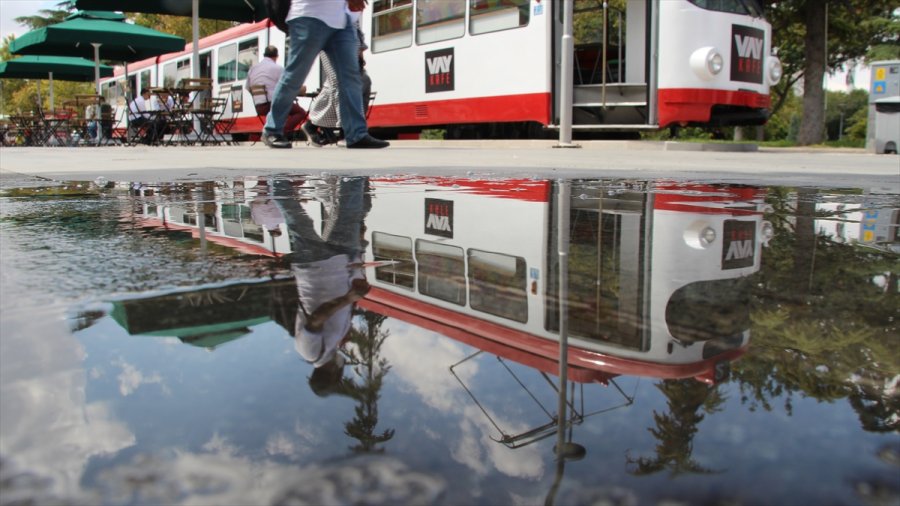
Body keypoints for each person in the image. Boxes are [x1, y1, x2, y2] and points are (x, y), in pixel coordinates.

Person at [270, 176, 372, 391]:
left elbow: (315, 319)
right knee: (349, 215)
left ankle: (276, 179)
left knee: (296, 218)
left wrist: (349, 298)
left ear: (334, 372)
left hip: (315, 269)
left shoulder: (309, 352)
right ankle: (352, 172)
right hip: (341, 262)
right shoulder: (332, 345)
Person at [261, 0, 388, 149]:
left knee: (352, 78)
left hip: (343, 21)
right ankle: (272, 129)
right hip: (309, 16)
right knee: (295, 76)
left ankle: (356, 134)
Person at [301, 22, 372, 147]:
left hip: (348, 37)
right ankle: (347, 133)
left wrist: (360, 58)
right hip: (331, 36)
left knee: (340, 85)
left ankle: (312, 125)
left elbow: (358, 38)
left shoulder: (351, 15)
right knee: (339, 83)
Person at [247, 45, 307, 138]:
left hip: (259, 107)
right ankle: (278, 133)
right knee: (300, 113)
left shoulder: (252, 69)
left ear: (264, 55)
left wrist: (259, 98)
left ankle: (275, 131)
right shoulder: (277, 68)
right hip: (273, 105)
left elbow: (248, 88)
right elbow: (290, 86)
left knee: (286, 109)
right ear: (276, 56)